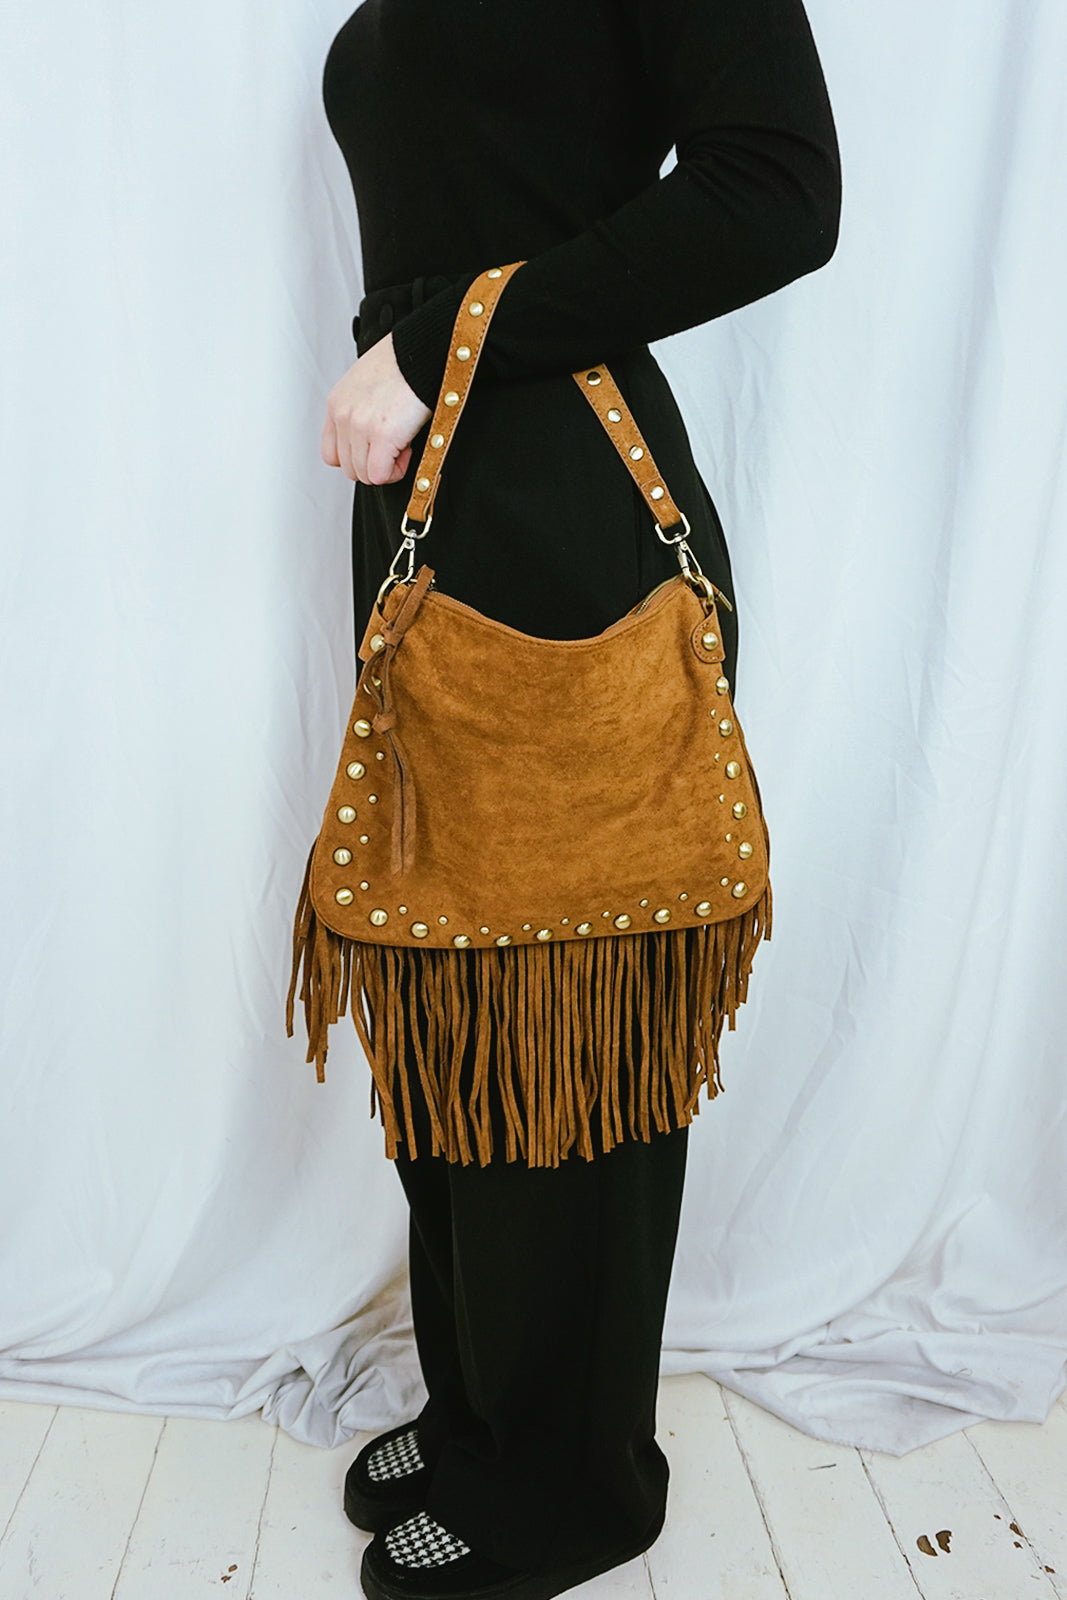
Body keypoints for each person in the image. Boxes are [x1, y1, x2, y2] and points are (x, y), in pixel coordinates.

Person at [313, 3, 840, 1598]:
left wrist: (434, 346)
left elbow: (776, 187)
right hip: (436, 500)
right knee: (454, 981)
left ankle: (574, 1481)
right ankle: (486, 1414)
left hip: (558, 502)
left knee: (567, 1002)